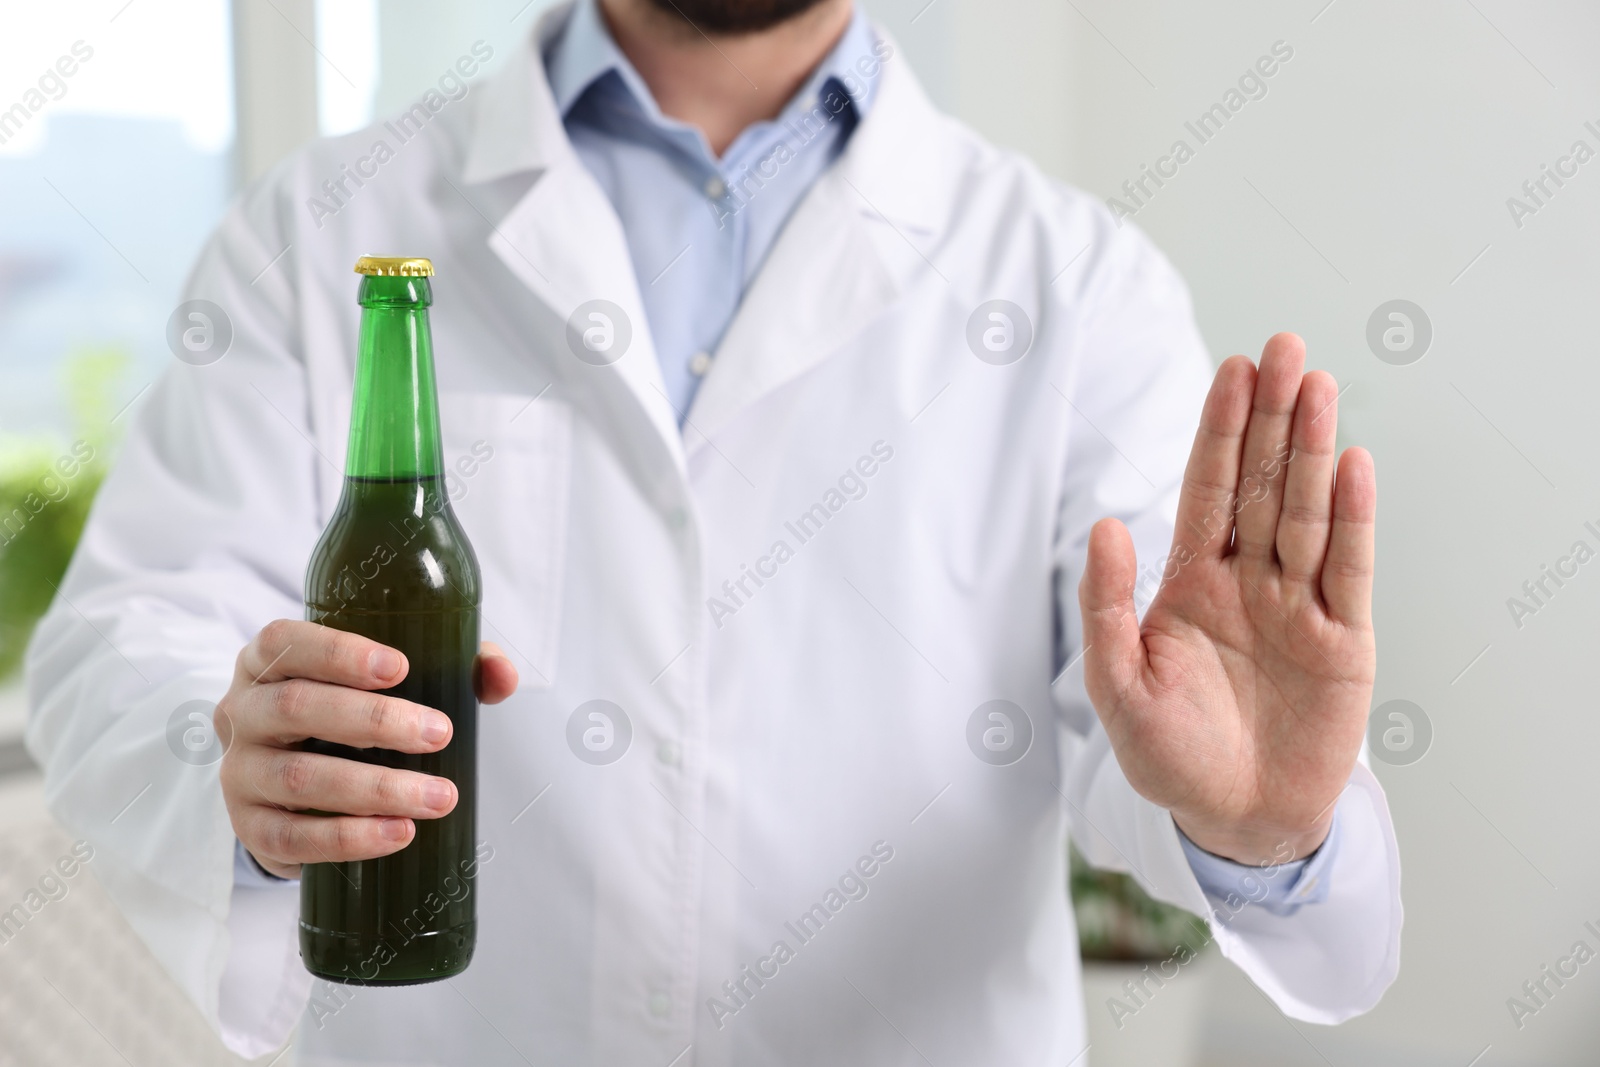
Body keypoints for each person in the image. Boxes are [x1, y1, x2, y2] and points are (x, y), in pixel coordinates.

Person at [26, 0, 1400, 1062]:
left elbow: (1168, 721)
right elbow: (116, 648)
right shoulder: (326, 235)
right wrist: (238, 754)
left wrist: (1265, 818)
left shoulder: (1075, 285)